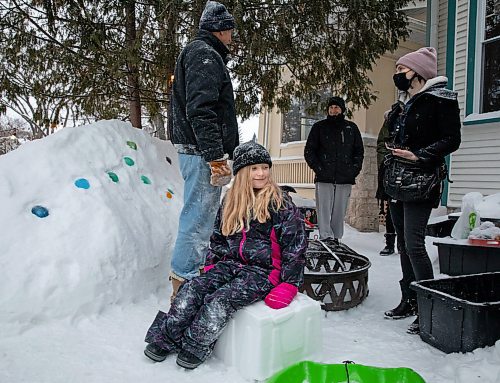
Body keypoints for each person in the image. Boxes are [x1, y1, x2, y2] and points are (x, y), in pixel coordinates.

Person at [143, 141, 307, 369]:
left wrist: (289, 284)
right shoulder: (230, 201)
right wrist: (212, 265)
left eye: (265, 168)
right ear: (241, 173)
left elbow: (295, 246)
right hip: (230, 264)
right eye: (254, 169)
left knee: (220, 300)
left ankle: (196, 345)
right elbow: (218, 237)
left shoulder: (280, 203)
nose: (261, 173)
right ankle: (167, 336)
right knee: (192, 288)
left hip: (263, 272)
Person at [383, 47, 461, 334]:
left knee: (414, 243)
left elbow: (452, 139)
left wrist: (419, 155)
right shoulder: (406, 102)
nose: (398, 76)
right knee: (402, 243)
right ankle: (410, 299)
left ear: (417, 72)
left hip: (422, 180)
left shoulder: (441, 100)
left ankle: (428, 306)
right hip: (398, 180)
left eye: (401, 70)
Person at [168, 1, 239, 300]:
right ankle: (184, 284)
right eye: (231, 31)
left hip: (199, 150)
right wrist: (215, 158)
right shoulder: (204, 54)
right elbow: (201, 110)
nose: (232, 37)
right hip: (201, 152)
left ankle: (189, 275)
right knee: (198, 218)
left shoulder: (203, 53)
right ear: (221, 30)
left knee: (201, 216)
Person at [304, 96, 364, 243]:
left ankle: (336, 238)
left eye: (336, 107)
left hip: (345, 178)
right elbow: (309, 151)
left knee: (339, 210)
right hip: (324, 177)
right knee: (323, 210)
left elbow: (359, 152)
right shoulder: (319, 127)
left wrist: (354, 170)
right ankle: (325, 237)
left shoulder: (351, 128)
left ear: (342, 109)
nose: (333, 110)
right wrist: (318, 168)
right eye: (331, 107)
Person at [376, 120, 396, 256]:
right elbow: (381, 145)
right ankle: (390, 243)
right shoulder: (390, 122)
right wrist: (386, 160)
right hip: (391, 171)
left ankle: (404, 243)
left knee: (405, 210)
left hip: (410, 171)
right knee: (391, 208)